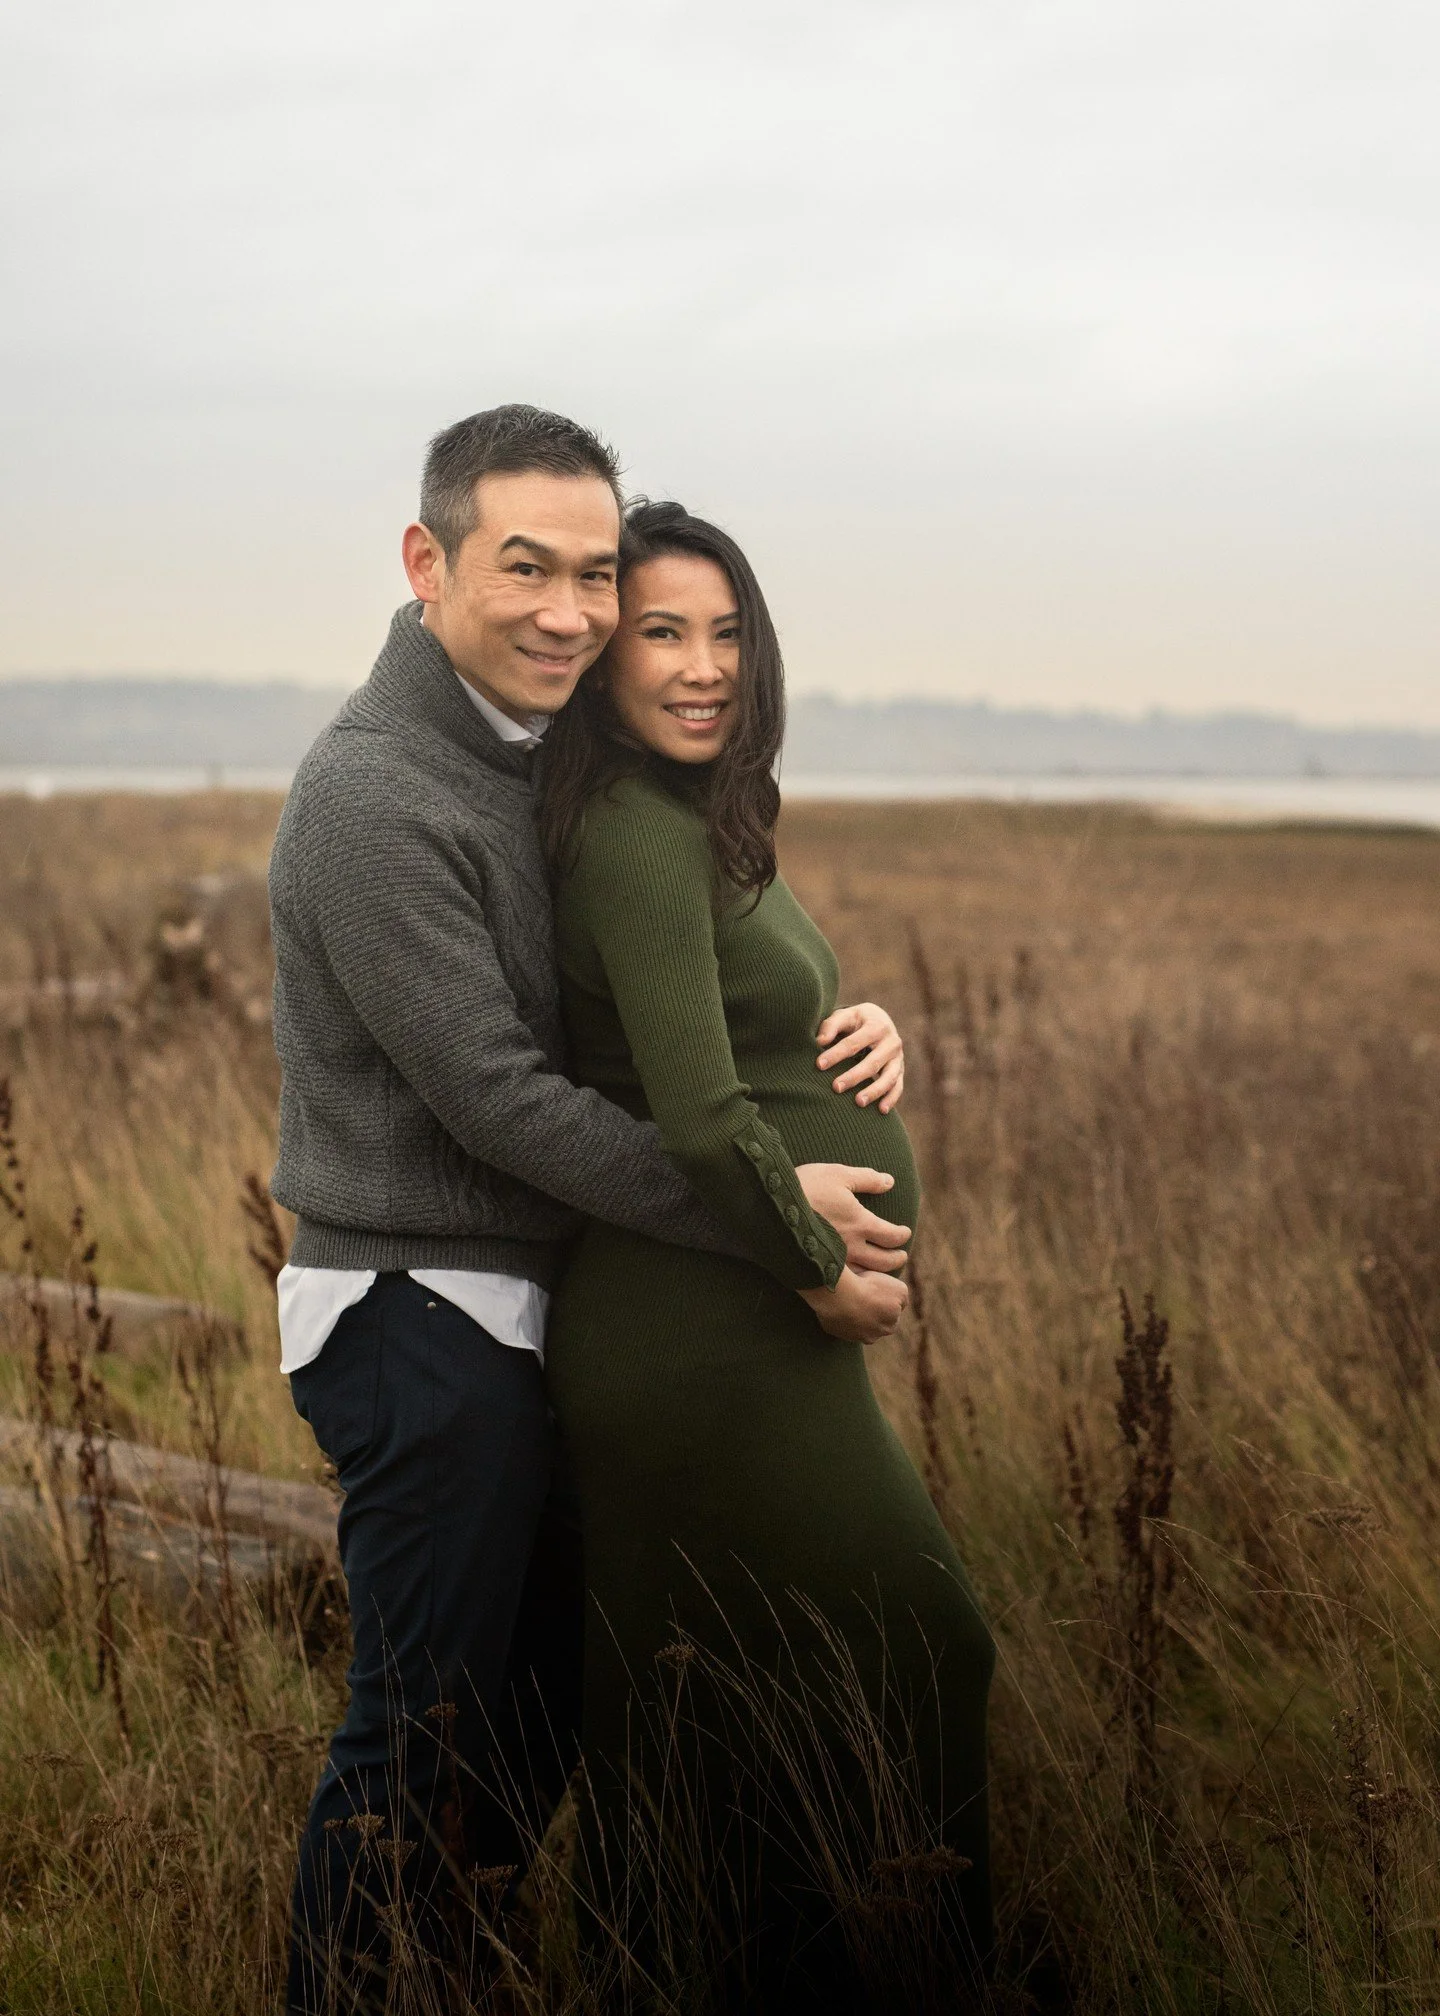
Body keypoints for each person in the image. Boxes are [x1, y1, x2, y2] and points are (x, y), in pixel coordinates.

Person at [266, 405, 915, 2013]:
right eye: (525, 569)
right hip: (416, 1309)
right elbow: (498, 1097)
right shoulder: (371, 798)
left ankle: (454, 1967)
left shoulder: (537, 755)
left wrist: (841, 1024)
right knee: (415, 1725)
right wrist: (776, 1222)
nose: (571, 612)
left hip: (518, 1309)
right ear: (427, 564)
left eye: (595, 575)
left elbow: (660, 995)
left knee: (541, 1708)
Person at [538, 500, 997, 2012]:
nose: (702, 665)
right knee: (926, 1641)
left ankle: (709, 1967)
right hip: (700, 1337)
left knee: (706, 1702)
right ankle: (912, 1967)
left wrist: (866, 1024)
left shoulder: (703, 816)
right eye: (662, 632)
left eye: (727, 631)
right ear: (603, 659)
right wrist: (814, 1262)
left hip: (730, 1327)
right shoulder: (625, 830)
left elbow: (755, 1021)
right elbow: (700, 1111)